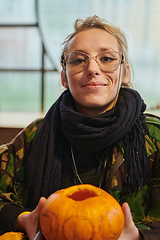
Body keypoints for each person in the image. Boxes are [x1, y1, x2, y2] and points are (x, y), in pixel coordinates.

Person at [0, 15, 160, 240]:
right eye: (78, 60)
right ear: (64, 76)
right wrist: (20, 218)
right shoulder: (35, 136)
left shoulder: (153, 137)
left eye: (106, 58)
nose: (93, 68)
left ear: (125, 73)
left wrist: (139, 237)